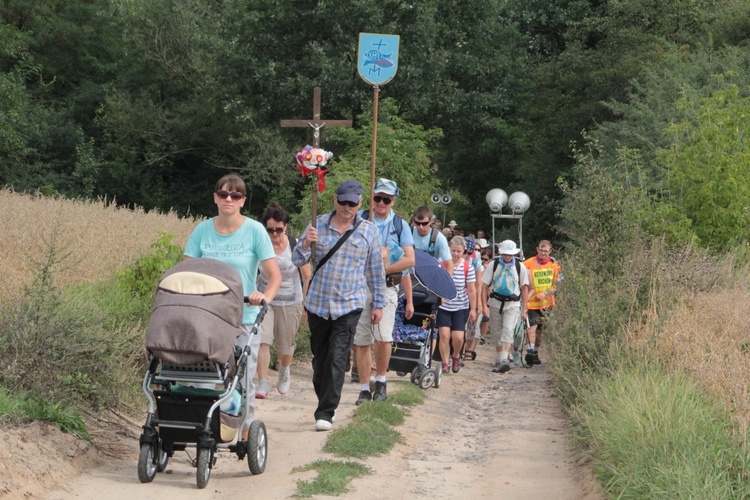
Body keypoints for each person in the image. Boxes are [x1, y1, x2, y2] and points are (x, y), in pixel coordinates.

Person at [184, 173, 282, 438]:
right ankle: (204, 422)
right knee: (203, 372)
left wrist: (264, 297)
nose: (229, 199)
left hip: (244, 315)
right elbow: (187, 270)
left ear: (242, 201)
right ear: (215, 197)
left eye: (235, 195)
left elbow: (274, 276)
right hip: (206, 315)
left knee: (242, 376)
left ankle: (246, 429)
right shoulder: (202, 231)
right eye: (224, 194)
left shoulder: (255, 231)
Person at [292, 179, 385, 431]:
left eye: (352, 203)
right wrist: (305, 244)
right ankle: (325, 399)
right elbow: (296, 259)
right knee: (320, 361)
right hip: (319, 303)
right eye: (343, 202)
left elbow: (375, 269)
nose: (347, 207)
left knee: (337, 356)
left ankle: (326, 411)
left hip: (350, 304)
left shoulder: (368, 231)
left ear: (359, 203)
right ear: (335, 199)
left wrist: (378, 303)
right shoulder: (317, 223)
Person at [353, 178, 415, 405]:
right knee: (361, 340)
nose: (381, 203)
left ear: (393, 201)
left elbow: (410, 259)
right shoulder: (359, 219)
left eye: (386, 199)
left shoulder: (401, 225)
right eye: (377, 198)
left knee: (383, 337)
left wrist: (382, 268)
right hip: (360, 286)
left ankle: (380, 381)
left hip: (387, 285)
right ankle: (363, 387)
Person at [255, 203, 311, 398]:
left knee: (286, 347)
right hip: (265, 300)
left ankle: (284, 369)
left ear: (285, 226)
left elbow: (307, 275)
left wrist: (306, 304)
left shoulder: (294, 245)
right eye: (270, 230)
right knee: (262, 342)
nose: (275, 233)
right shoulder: (260, 246)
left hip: (290, 301)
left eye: (278, 229)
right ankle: (262, 383)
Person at [481, 240, 529, 373]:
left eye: (510, 254)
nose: (507, 257)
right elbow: (484, 286)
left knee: (508, 330)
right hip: (495, 302)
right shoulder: (494, 265)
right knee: (496, 334)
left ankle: (503, 360)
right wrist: (484, 305)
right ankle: (500, 357)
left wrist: (524, 309)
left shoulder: (520, 267)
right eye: (505, 254)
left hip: (512, 304)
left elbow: (524, 288)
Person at [436, 236, 476, 374]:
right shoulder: (442, 264)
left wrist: (474, 309)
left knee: (458, 337)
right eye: (453, 251)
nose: (455, 254)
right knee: (444, 335)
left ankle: (456, 355)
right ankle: (445, 362)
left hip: (461, 306)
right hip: (444, 306)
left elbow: (471, 289)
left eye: (459, 251)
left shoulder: (468, 267)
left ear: (463, 251)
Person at [523, 240, 561, 366]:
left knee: (540, 331)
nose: (543, 253)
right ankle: (529, 353)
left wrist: (545, 293)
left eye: (546, 251)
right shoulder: (527, 263)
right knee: (531, 328)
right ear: (537, 249)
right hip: (531, 303)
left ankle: (535, 352)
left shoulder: (555, 266)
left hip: (547, 304)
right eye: (541, 250)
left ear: (550, 251)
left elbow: (556, 285)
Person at [410, 205, 453, 274]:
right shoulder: (408, 234)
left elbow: (449, 264)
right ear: (414, 221)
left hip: (430, 275)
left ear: (431, 221)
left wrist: (447, 282)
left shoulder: (439, 238)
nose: (421, 227)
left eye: (424, 223)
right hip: (410, 275)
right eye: (417, 223)